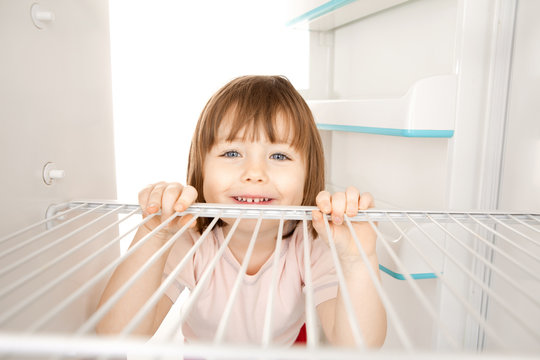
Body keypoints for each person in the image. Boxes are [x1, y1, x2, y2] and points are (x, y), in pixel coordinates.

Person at [96, 75, 387, 347]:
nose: (254, 173)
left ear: (308, 176)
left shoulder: (311, 244)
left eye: (279, 155)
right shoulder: (191, 239)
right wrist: (153, 234)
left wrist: (358, 261)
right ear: (201, 170)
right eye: (232, 153)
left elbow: (358, 346)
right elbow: (116, 333)